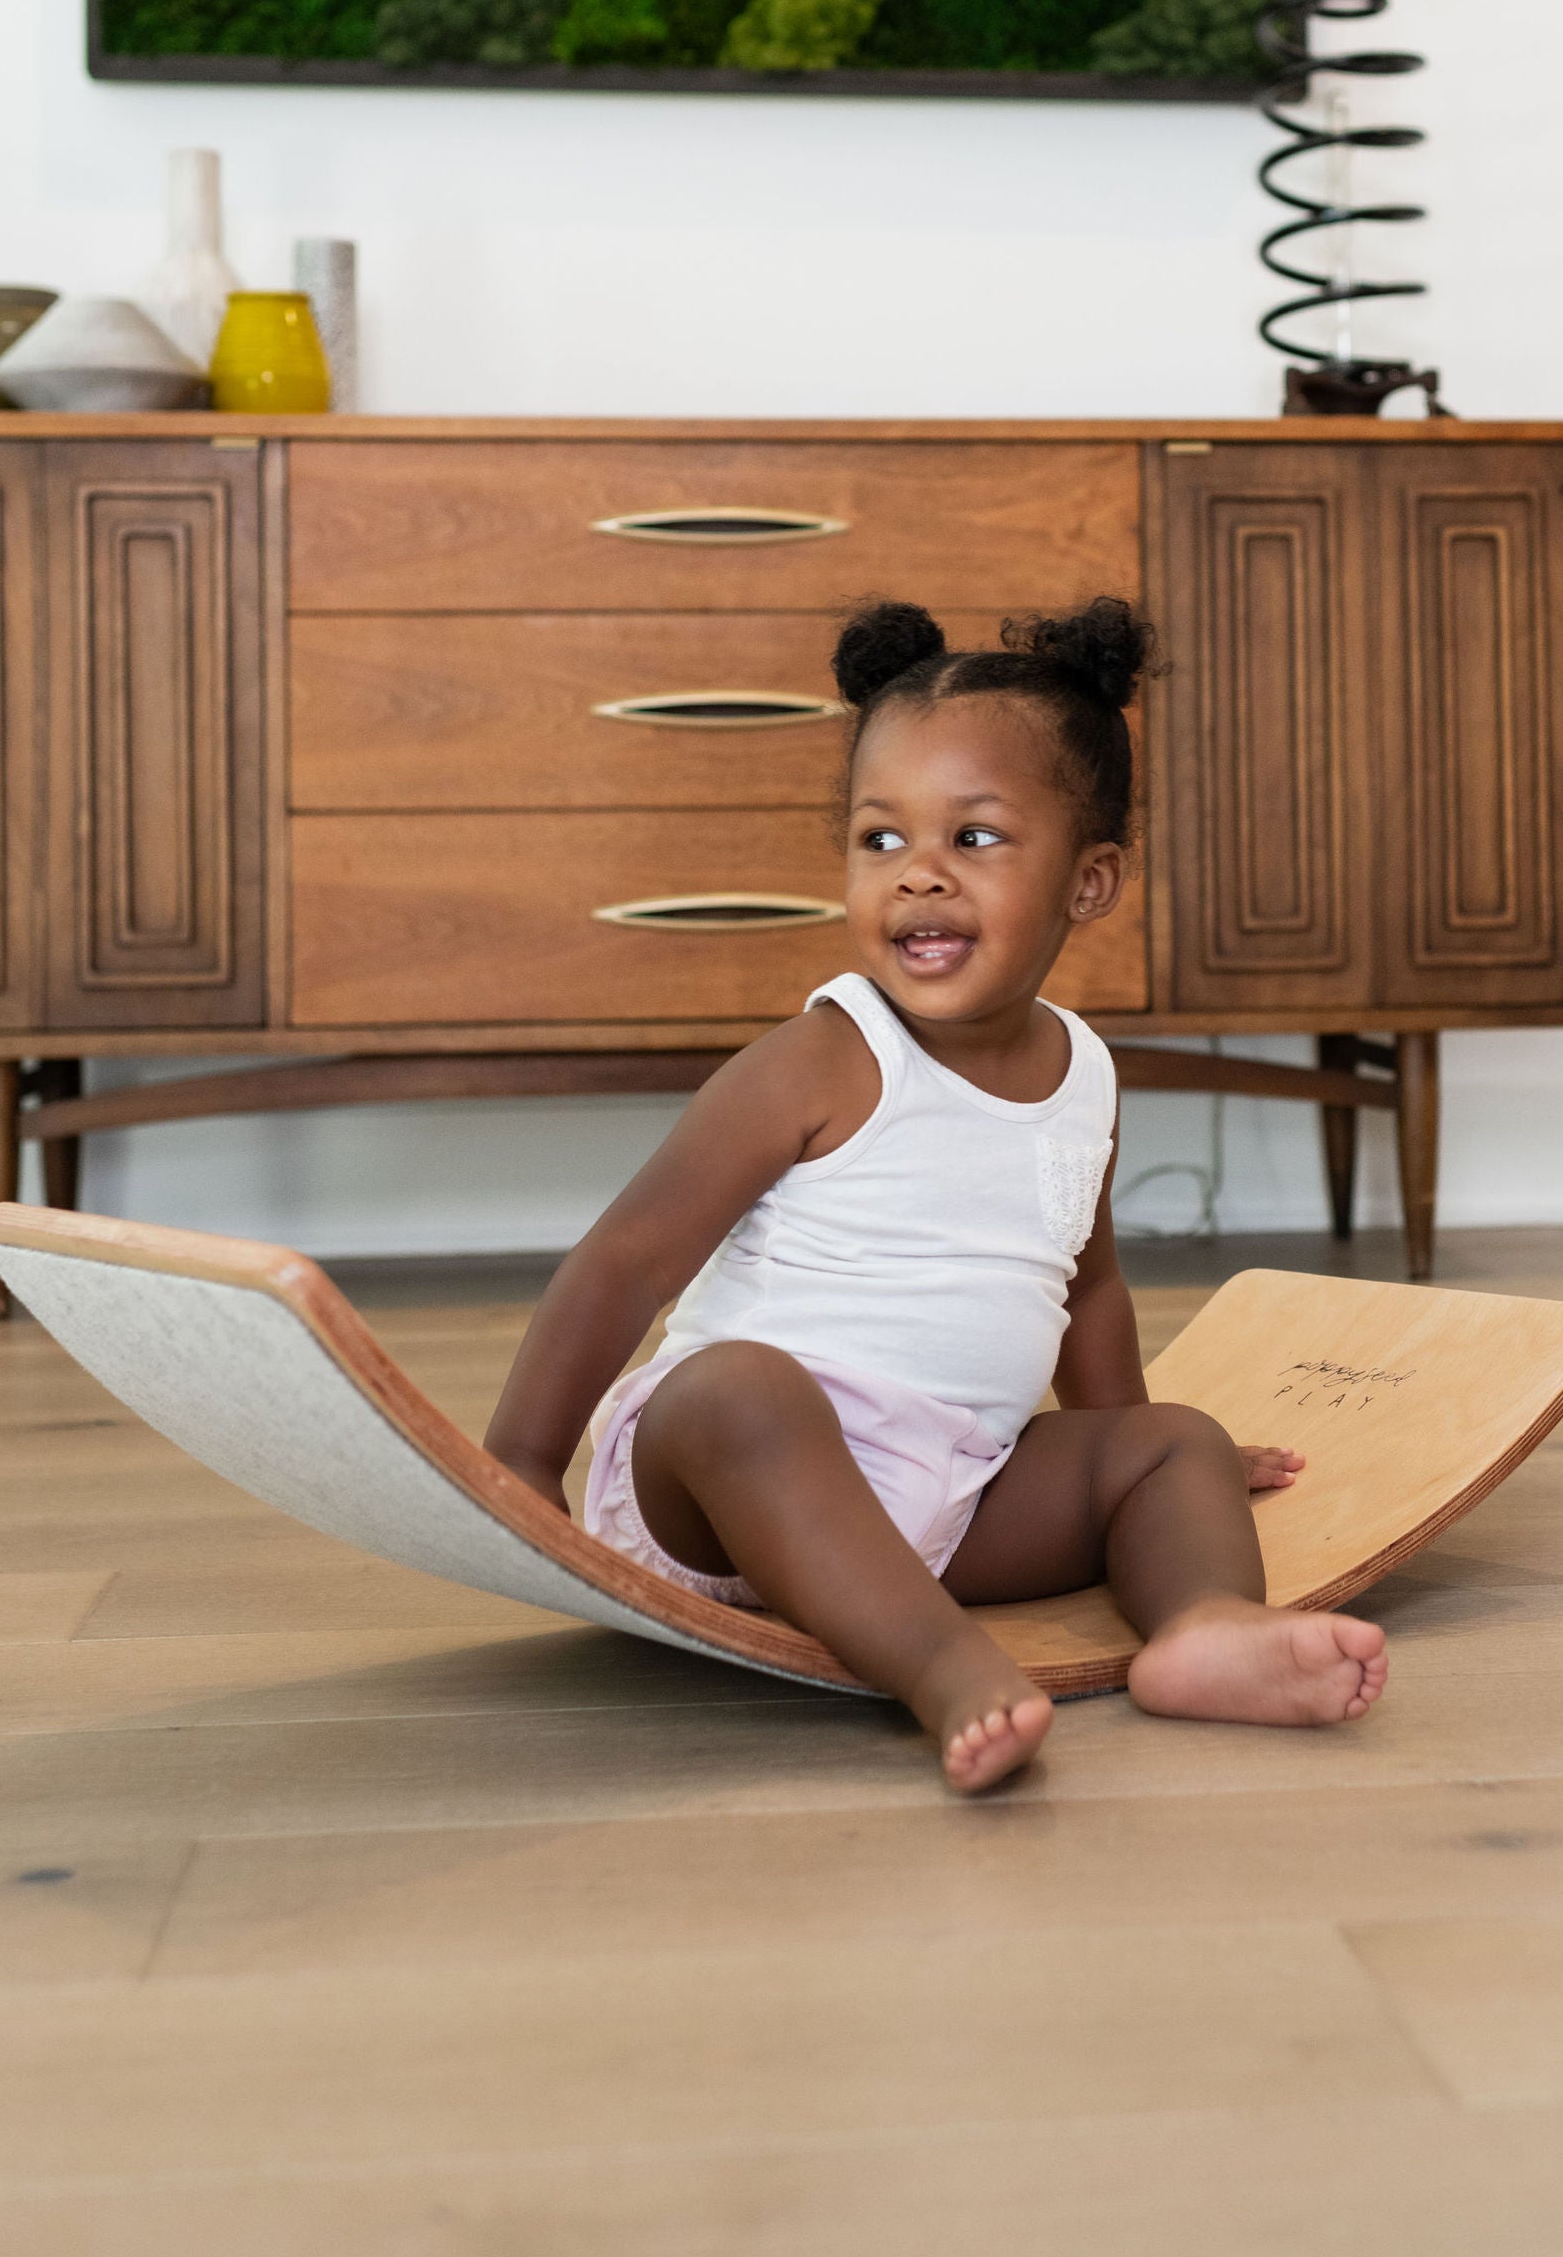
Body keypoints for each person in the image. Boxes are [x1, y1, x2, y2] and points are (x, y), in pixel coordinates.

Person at [484, 595, 1388, 1793]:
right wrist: (519, 1467)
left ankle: (1203, 1627)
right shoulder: (824, 1055)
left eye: (973, 839)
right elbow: (627, 1261)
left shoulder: (1086, 1074)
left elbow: (1089, 1286)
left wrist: (1135, 1456)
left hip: (948, 1497)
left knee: (1178, 1440)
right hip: (722, 1491)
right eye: (880, 840)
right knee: (734, 1388)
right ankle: (945, 1668)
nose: (916, 875)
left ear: (1088, 879)